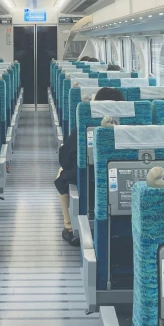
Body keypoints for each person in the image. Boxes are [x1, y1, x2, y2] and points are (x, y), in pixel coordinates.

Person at [55, 86, 125, 246]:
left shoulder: (83, 127)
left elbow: (65, 158)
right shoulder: (137, 128)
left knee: (62, 173)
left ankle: (70, 228)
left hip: (87, 182)